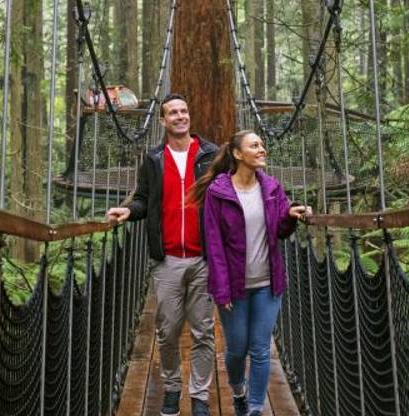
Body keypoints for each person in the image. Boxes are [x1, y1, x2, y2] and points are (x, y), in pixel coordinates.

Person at [106, 94, 218, 416]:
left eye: (184, 110)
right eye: (173, 112)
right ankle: (171, 388)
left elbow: (230, 194)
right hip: (167, 259)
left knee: (203, 331)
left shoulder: (210, 155)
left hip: (203, 260)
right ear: (163, 120)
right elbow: (143, 200)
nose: (180, 116)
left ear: (189, 115)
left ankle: (199, 397)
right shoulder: (154, 159)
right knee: (167, 332)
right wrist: (128, 210)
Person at [189, 130, 310, 416]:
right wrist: (221, 288)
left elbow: (280, 228)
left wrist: (292, 214)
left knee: (260, 349)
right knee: (236, 349)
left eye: (262, 145)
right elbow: (214, 245)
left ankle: (254, 408)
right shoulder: (218, 193)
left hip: (268, 284)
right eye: (254, 145)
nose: (262, 149)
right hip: (234, 286)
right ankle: (238, 390)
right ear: (237, 153)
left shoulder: (271, 188)